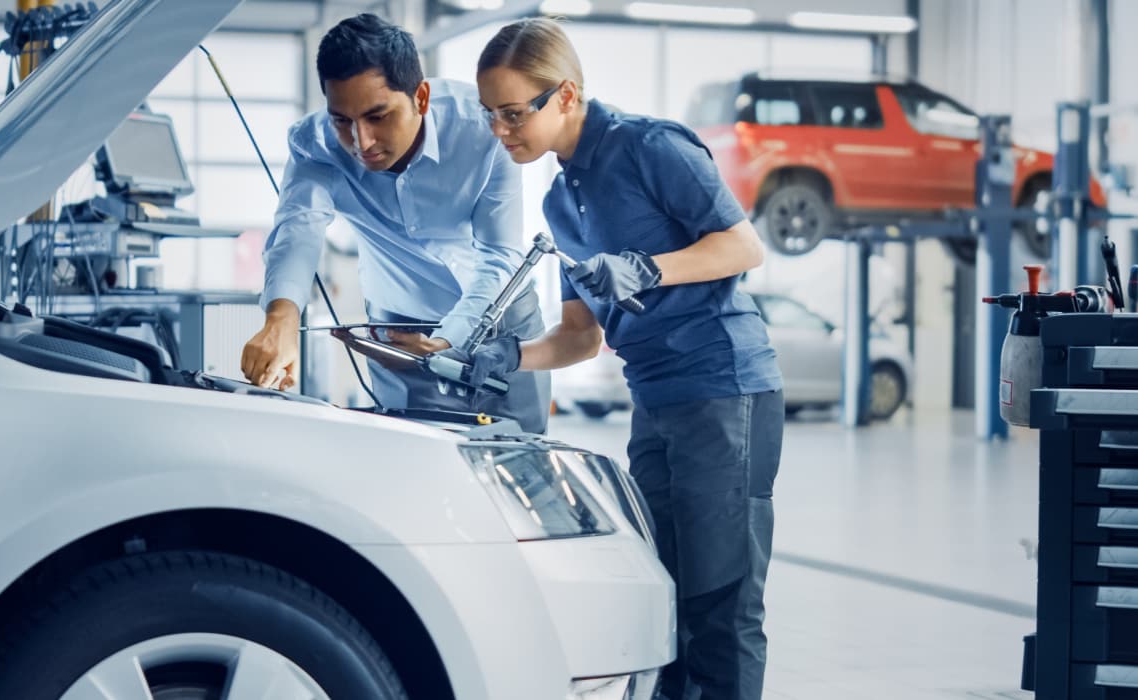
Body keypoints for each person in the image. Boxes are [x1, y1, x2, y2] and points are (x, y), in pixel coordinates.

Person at [470, 18, 785, 700]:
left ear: (566, 95)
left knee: (720, 604)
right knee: (664, 598)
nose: (500, 130)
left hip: (723, 389)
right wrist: (509, 355)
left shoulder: (650, 147)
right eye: (490, 114)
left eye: (514, 112)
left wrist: (648, 267)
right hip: (655, 400)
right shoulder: (559, 201)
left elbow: (742, 246)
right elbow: (580, 336)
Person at [239, 13, 550, 433]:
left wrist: (449, 338)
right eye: (342, 120)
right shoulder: (316, 145)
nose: (361, 142)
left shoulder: (484, 129)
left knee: (521, 452)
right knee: (411, 454)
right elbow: (298, 229)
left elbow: (499, 254)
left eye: (378, 116)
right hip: (399, 332)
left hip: (501, 319)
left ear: (421, 97)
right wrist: (281, 317)